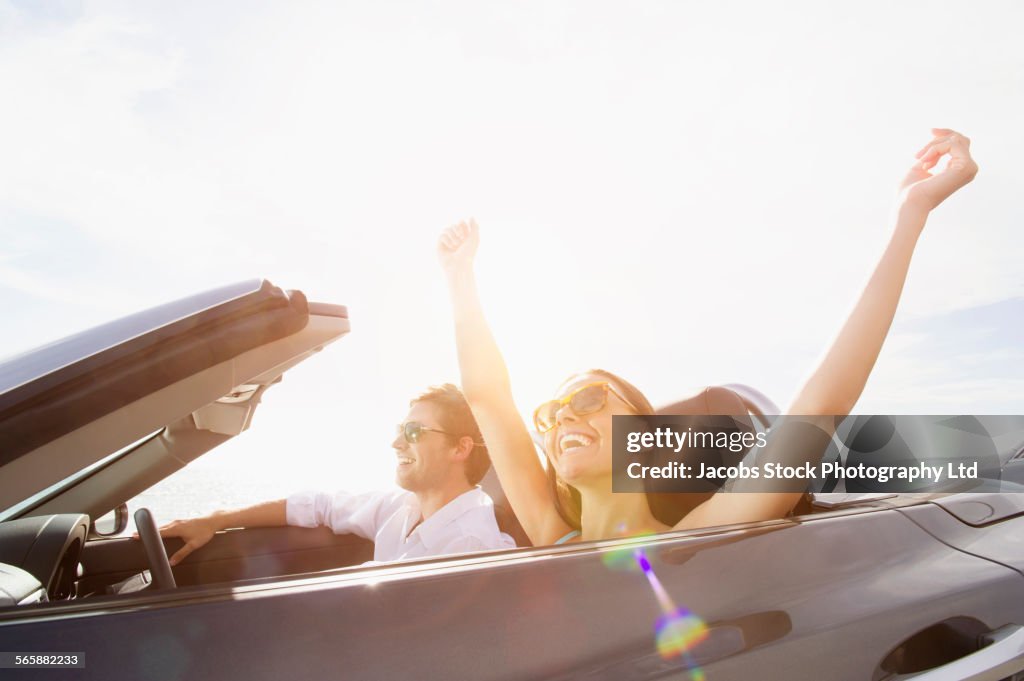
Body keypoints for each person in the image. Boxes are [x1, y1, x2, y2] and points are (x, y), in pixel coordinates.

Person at [437, 128, 979, 545]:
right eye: (550, 414)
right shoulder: (551, 535)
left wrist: (910, 214)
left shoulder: (697, 539)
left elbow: (822, 403)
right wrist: (460, 276)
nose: (562, 418)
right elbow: (486, 396)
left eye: (586, 398)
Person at [150, 384, 517, 565]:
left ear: (460, 448)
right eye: (400, 429)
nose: (395, 443)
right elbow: (318, 506)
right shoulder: (400, 508)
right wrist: (217, 519)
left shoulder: (471, 546)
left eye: (413, 432)